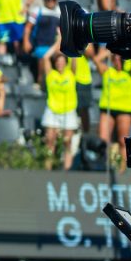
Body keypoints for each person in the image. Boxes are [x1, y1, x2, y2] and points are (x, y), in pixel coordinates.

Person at [93, 50, 131, 167]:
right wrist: (110, 50)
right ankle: (104, 165)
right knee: (103, 140)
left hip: (124, 109)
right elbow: (96, 59)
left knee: (123, 141)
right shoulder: (107, 71)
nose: (117, 61)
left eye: (119, 59)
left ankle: (122, 168)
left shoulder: (129, 73)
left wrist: (127, 53)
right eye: (115, 59)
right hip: (108, 109)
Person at [41, 39, 78, 171]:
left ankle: (67, 170)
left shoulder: (71, 74)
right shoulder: (51, 75)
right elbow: (45, 57)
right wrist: (58, 41)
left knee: (68, 141)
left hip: (68, 110)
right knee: (50, 141)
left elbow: (75, 57)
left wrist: (71, 43)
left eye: (62, 61)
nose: (60, 63)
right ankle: (48, 169)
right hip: (52, 110)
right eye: (57, 61)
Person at [23, 0, 61, 83]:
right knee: (42, 69)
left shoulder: (59, 12)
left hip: (54, 45)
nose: (51, 1)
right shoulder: (38, 11)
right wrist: (26, 41)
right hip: (41, 44)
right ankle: (40, 83)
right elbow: (28, 27)